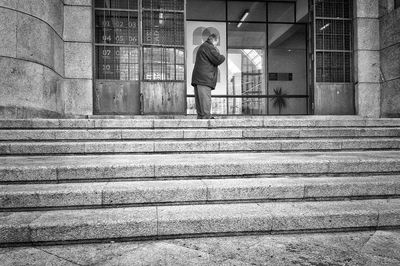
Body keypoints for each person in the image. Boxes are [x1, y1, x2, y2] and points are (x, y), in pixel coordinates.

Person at [191, 34, 225, 119]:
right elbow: (218, 59)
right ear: (214, 40)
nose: (216, 44)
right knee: (205, 99)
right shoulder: (209, 47)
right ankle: (206, 118)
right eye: (217, 42)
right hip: (204, 78)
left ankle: (201, 117)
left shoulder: (203, 46)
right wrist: (223, 56)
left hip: (199, 78)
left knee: (200, 100)